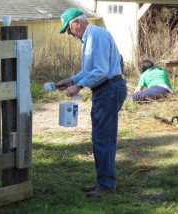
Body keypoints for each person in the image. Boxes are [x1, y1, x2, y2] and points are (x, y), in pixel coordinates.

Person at [56, 8, 127, 197]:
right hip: (103, 90)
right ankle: (102, 181)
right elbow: (88, 70)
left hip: (110, 88)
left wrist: (78, 86)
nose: (70, 34)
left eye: (69, 29)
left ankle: (106, 185)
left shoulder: (97, 35)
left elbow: (101, 70)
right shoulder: (88, 39)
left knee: (104, 137)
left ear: (76, 23)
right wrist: (70, 80)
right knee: (99, 137)